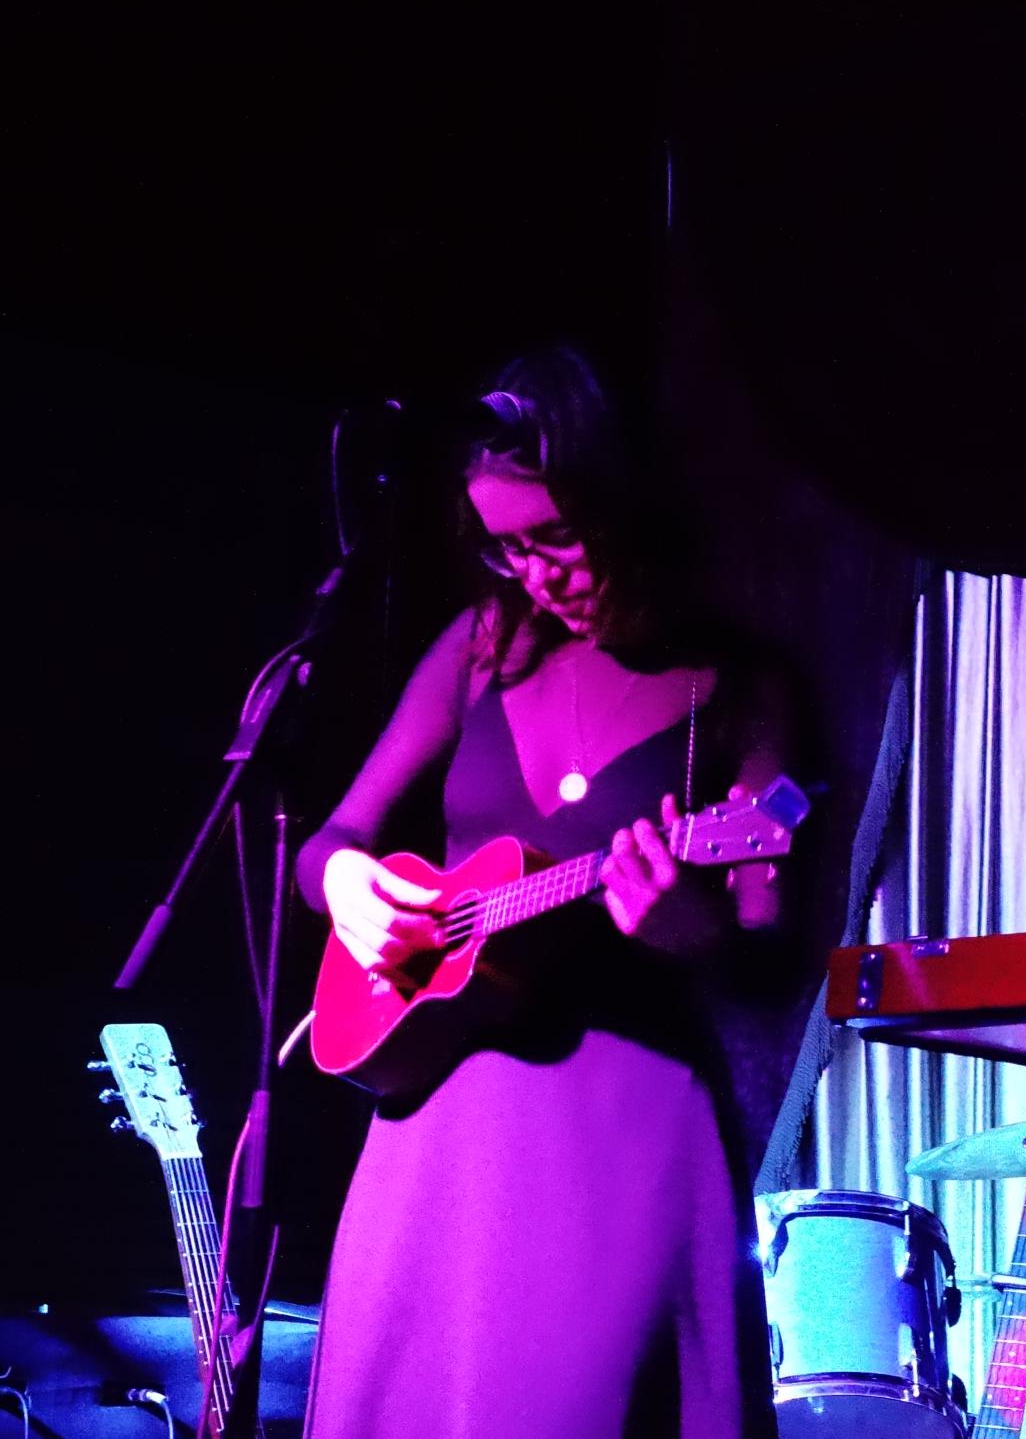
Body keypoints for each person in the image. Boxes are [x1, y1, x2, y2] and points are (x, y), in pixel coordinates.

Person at [297, 346, 797, 1438]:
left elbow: (773, 956)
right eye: (507, 546)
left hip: (621, 1127)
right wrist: (348, 884)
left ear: (623, 501)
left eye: (556, 535)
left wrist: (692, 931)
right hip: (440, 1118)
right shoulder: (484, 647)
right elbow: (332, 836)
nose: (536, 573)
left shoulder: (741, 688)